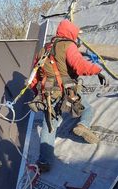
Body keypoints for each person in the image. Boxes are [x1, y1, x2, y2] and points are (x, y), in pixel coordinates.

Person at [29, 19, 105, 172]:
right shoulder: (68, 46)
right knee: (87, 109)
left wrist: (37, 93)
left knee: (49, 126)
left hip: (48, 93)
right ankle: (83, 126)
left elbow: (34, 77)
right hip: (67, 89)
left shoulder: (44, 49)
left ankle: (44, 161)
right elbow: (80, 65)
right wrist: (97, 70)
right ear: (70, 33)